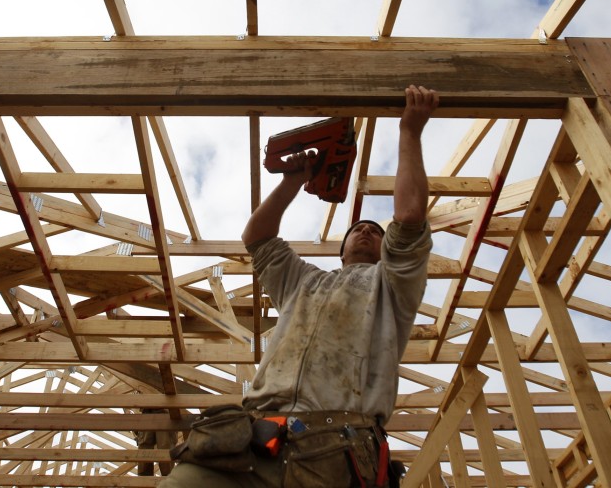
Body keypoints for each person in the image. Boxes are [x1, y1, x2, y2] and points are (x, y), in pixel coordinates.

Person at [161, 86, 438, 487]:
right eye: (357, 229)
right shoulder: (303, 281)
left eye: (375, 232)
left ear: (387, 250)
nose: (364, 231)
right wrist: (293, 180)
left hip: (336, 449)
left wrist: (410, 131)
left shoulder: (392, 285)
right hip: (253, 440)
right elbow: (257, 238)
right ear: (340, 250)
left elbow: (410, 216)